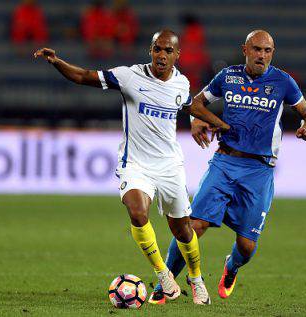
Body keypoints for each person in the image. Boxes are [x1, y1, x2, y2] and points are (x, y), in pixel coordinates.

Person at [34, 29, 230, 305]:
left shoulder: (182, 83)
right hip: (135, 163)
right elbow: (83, 76)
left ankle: (196, 280)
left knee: (183, 229)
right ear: (150, 50)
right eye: (157, 49)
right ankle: (164, 276)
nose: (161, 55)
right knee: (138, 213)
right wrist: (58, 62)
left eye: (167, 51)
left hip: (170, 165)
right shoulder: (129, 76)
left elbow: (189, 107)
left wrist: (219, 123)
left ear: (177, 55)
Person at [149, 30, 306, 304]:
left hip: (259, 171)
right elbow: (197, 102)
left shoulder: (283, 81)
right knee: (193, 225)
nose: (262, 55)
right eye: (257, 49)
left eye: (267, 51)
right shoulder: (228, 77)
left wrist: (305, 127)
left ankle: (232, 267)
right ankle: (164, 284)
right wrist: (197, 121)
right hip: (225, 161)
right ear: (245, 50)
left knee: (247, 246)